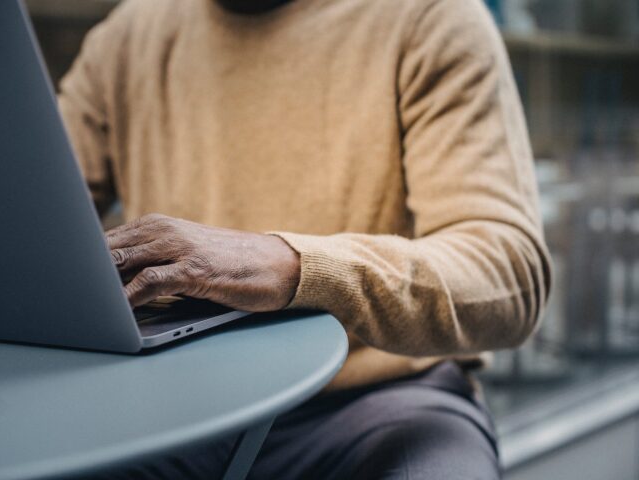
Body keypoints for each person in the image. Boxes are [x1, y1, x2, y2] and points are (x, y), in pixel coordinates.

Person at [58, 0, 551, 477]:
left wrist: (292, 265)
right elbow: (23, 225)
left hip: (377, 401)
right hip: (173, 402)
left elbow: (508, 273)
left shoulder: (430, 18)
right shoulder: (126, 36)